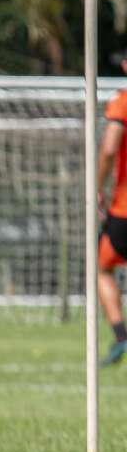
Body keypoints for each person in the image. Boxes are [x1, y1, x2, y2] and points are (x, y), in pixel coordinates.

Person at [99, 69, 127, 367]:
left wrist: (97, 188)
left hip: (124, 208)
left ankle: (121, 335)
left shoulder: (122, 103)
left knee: (102, 268)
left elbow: (109, 148)